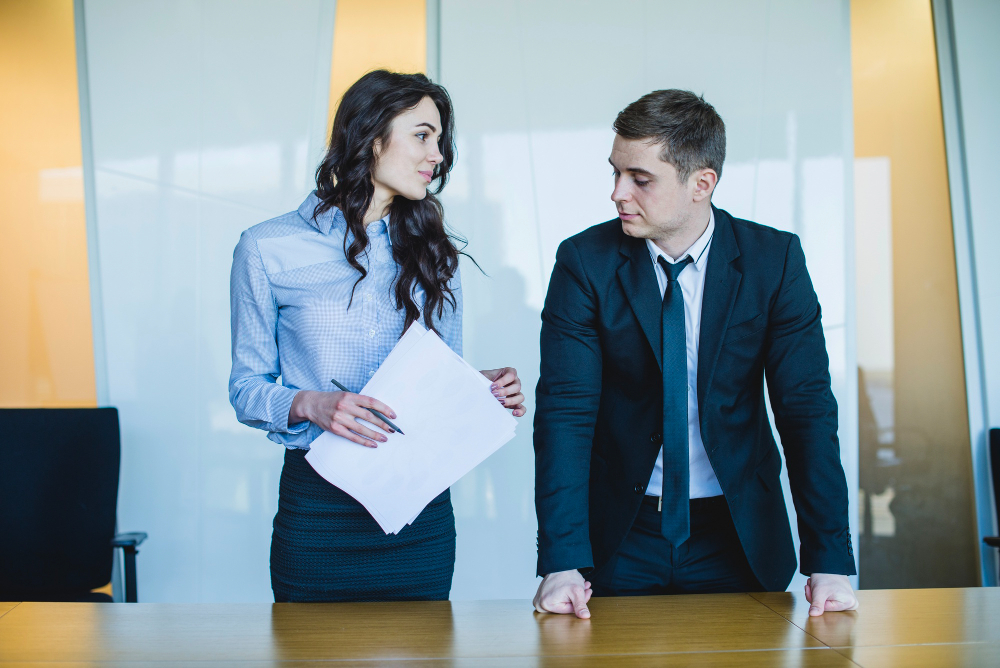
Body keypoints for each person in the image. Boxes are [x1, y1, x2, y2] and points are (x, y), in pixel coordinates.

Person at [531, 89, 858, 618]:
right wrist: (562, 560)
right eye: (615, 173)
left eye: (640, 179)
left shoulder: (773, 261)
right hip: (621, 536)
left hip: (739, 535)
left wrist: (830, 561)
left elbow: (806, 411)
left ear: (701, 183)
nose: (617, 193)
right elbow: (565, 414)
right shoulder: (583, 262)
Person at [229, 70, 525, 602]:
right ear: (370, 136)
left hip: (419, 512)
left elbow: (436, 381)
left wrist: (480, 387)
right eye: (422, 135)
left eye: (439, 139)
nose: (437, 153)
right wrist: (311, 404)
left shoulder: (436, 253)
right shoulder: (266, 248)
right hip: (318, 514)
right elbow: (245, 389)